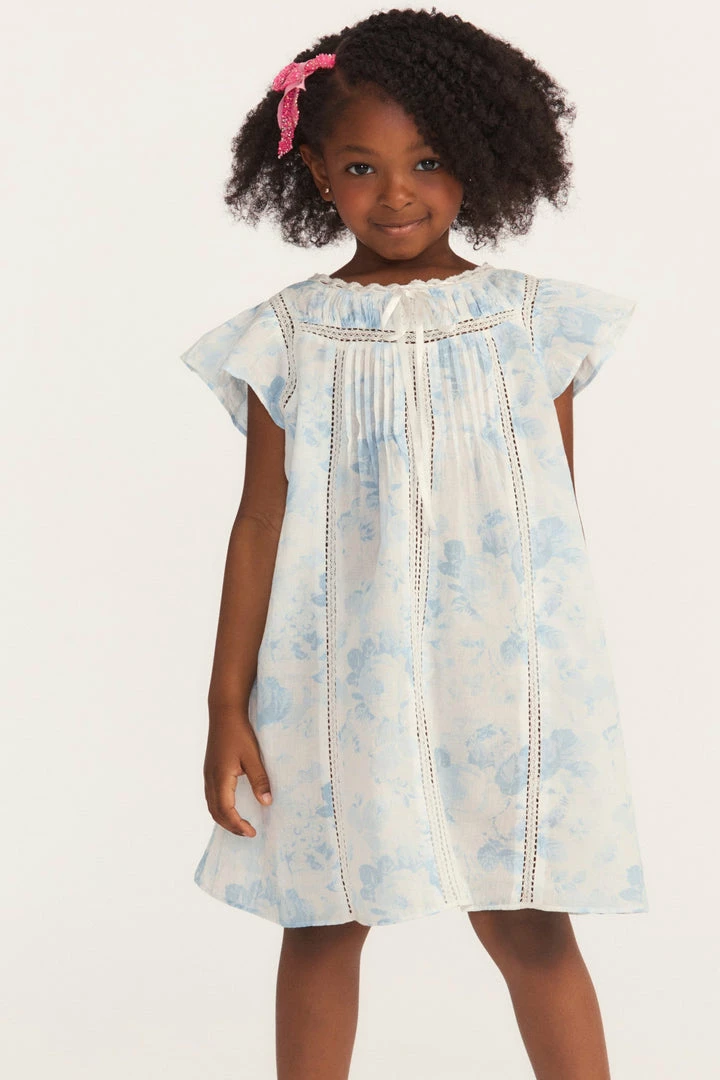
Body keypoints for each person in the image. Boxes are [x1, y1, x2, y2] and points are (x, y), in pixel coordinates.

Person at [180, 8, 649, 1079]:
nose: (397, 193)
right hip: (338, 678)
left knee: (529, 922)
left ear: (478, 158)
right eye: (362, 166)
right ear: (315, 173)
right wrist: (226, 705)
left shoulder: (532, 324)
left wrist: (554, 696)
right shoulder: (289, 335)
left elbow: (551, 525)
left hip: (502, 677)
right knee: (325, 914)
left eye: (428, 161)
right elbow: (259, 524)